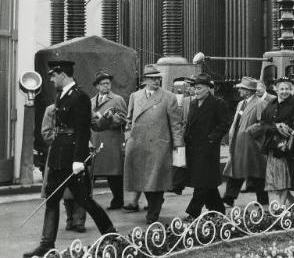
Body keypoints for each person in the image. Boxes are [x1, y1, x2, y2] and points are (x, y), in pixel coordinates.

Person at [24, 60, 115, 258]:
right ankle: (46, 244)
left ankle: (111, 236)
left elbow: (82, 131)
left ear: (62, 74)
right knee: (51, 198)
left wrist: (78, 160)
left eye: (53, 75)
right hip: (58, 156)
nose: (51, 79)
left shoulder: (79, 97)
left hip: (72, 157)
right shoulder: (62, 96)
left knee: (84, 200)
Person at [124, 64, 184, 224]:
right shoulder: (135, 97)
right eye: (152, 79)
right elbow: (129, 120)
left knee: (155, 180)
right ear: (145, 80)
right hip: (138, 144)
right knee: (143, 179)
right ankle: (155, 204)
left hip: (159, 145)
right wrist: (127, 137)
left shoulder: (169, 97)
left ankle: (153, 213)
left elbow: (176, 124)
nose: (156, 81)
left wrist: (178, 146)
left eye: (158, 79)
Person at [183, 74, 232, 219]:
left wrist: (212, 139)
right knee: (207, 182)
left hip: (208, 150)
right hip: (193, 148)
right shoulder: (192, 103)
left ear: (207, 89)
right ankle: (218, 210)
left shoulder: (217, 103)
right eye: (195, 88)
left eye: (199, 88)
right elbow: (190, 125)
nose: (196, 91)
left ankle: (193, 213)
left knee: (201, 182)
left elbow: (224, 124)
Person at [222, 77, 269, 207]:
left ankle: (263, 200)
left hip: (252, 145)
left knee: (257, 173)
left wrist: (250, 132)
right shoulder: (241, 103)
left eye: (242, 88)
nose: (239, 90)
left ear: (248, 91)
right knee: (236, 170)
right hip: (239, 143)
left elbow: (263, 123)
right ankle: (228, 198)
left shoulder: (260, 103)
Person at [40, 103, 87, 233]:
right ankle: (70, 219)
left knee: (80, 184)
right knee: (63, 187)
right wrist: (60, 142)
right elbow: (46, 132)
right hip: (58, 153)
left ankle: (79, 221)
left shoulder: (80, 108)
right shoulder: (51, 109)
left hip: (77, 150)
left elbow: (87, 128)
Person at [260, 77, 294, 205]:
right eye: (281, 89)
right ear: (276, 89)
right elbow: (263, 123)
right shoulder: (272, 103)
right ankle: (292, 202)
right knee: (273, 178)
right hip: (271, 146)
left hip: (285, 146)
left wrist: (285, 128)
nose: (284, 92)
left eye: (287, 89)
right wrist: (275, 127)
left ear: (291, 90)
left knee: (282, 178)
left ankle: (281, 205)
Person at [90, 71, 127, 210]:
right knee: (91, 172)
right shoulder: (92, 101)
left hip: (112, 140)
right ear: (97, 86)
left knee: (114, 173)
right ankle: (88, 201)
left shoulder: (118, 100)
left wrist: (109, 118)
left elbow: (124, 119)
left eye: (108, 83)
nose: (106, 86)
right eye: (103, 84)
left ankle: (118, 200)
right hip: (95, 140)